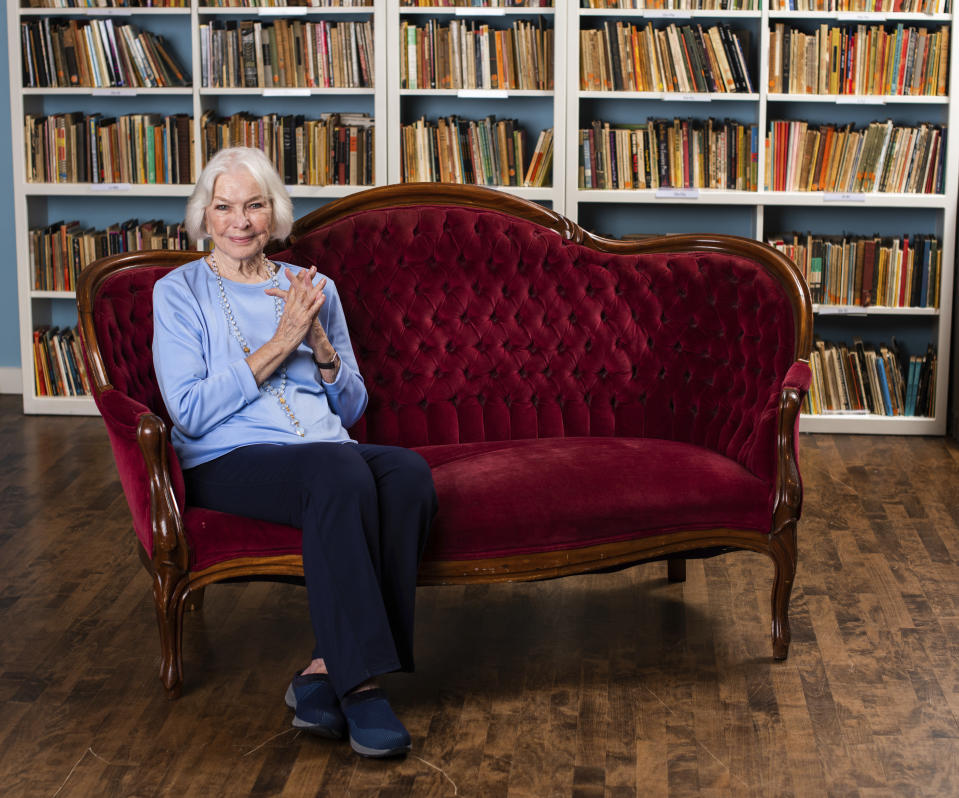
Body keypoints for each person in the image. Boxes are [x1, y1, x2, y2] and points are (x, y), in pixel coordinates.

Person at [151, 146, 437, 759]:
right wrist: (281, 344)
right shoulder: (178, 293)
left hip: (321, 452)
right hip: (227, 459)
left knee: (408, 474)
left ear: (274, 213)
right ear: (204, 216)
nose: (240, 220)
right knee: (337, 470)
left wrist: (320, 346)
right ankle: (361, 688)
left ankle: (321, 670)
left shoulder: (311, 289)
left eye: (254, 205)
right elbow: (190, 412)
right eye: (223, 206)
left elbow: (353, 407)